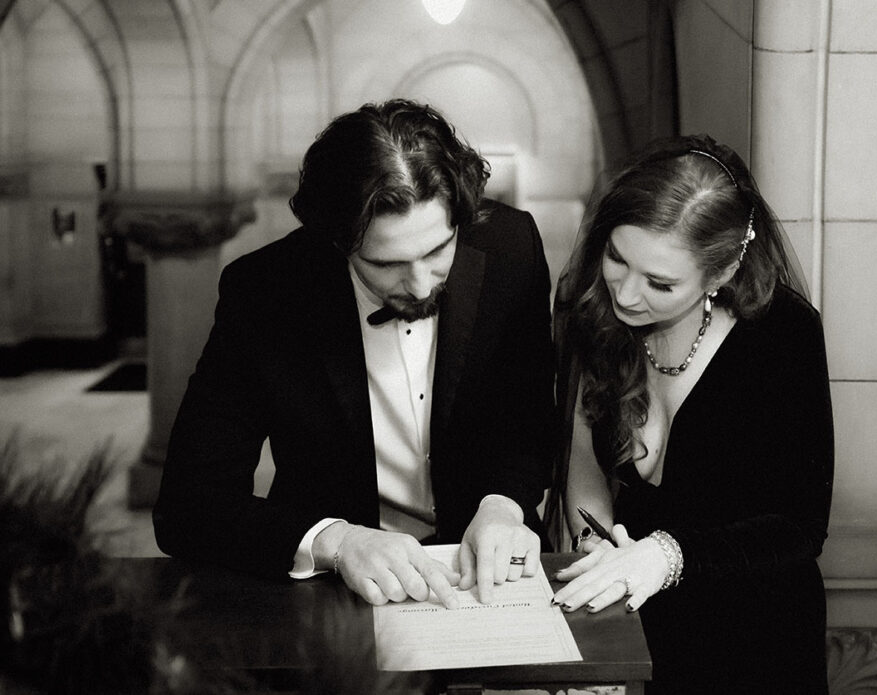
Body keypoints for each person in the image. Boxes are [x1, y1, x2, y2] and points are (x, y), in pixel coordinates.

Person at [153, 99, 555, 609]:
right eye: (388, 263)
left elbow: (529, 421)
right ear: (337, 242)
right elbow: (188, 505)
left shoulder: (510, 247)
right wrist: (336, 542)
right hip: (336, 589)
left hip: (486, 570)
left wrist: (504, 504)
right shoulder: (265, 293)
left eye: (436, 251)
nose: (420, 283)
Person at [547, 134, 834, 693]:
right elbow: (583, 458)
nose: (626, 294)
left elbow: (801, 526)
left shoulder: (783, 336)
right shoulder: (596, 312)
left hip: (756, 636)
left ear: (722, 271)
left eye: (659, 283)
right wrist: (594, 544)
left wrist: (663, 553)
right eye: (617, 259)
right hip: (638, 622)